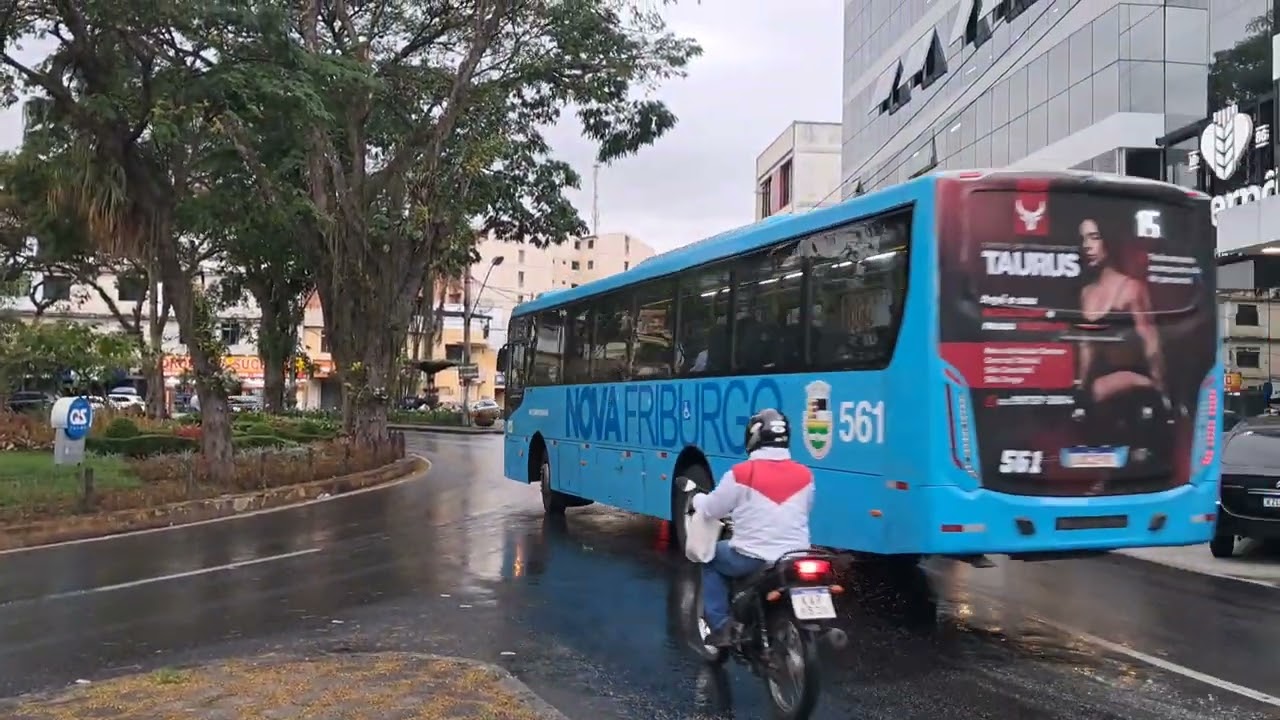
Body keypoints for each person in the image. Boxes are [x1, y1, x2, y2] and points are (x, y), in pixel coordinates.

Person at [691, 408, 815, 648]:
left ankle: (721, 627)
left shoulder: (740, 474)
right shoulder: (805, 475)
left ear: (753, 437)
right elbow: (804, 508)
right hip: (796, 555)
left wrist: (697, 500)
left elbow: (712, 509)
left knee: (710, 558)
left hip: (754, 556)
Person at [1075, 218, 1168, 410]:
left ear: (1108, 240)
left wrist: (1160, 390)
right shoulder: (1086, 294)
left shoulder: (1131, 289)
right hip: (1098, 391)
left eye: (1094, 237)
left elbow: (1151, 343)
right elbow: (1086, 349)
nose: (1087, 246)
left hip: (1132, 381)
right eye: (1083, 239)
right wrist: (1080, 391)